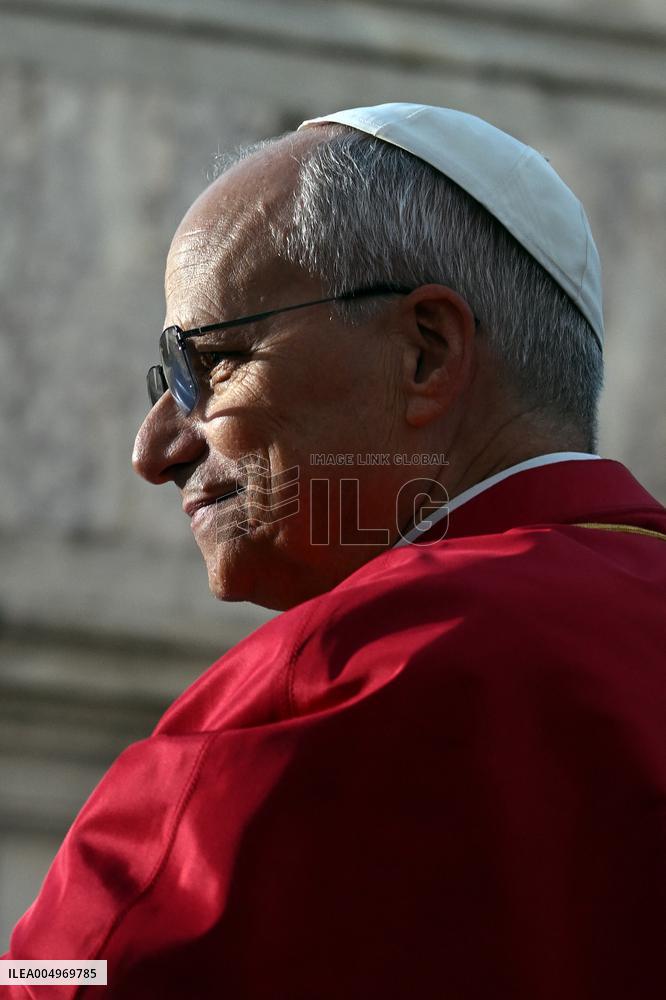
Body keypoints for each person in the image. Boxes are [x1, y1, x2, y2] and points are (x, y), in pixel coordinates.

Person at [5, 103, 665, 998]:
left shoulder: (361, 664)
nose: (155, 451)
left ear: (427, 353)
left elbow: (73, 974)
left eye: (213, 364)